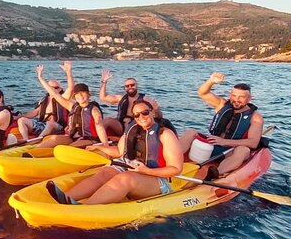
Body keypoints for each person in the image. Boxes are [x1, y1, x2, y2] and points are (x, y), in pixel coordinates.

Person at [46, 100, 183, 205]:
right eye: (136, 115)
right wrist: (99, 148)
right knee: (104, 173)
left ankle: (86, 207)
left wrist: (147, 171)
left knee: (125, 178)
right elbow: (118, 151)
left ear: (152, 112)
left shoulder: (164, 134)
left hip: (156, 179)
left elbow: (176, 169)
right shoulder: (132, 129)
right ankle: (66, 197)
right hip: (130, 167)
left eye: (145, 112)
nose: (141, 116)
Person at [180, 72, 264, 177]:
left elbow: (253, 143)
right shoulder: (221, 104)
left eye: (241, 97)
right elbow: (203, 93)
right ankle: (170, 161)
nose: (236, 100)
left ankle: (215, 174)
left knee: (243, 150)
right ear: (230, 95)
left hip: (230, 150)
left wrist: (224, 142)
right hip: (212, 144)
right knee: (191, 132)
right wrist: (211, 81)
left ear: (249, 99)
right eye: (234, 96)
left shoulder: (255, 117)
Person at [34, 64, 108, 148]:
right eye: (77, 94)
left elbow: (100, 127)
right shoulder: (72, 106)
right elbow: (54, 93)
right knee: (53, 139)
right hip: (71, 137)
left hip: (88, 139)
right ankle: (32, 153)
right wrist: (40, 78)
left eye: (83, 93)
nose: (80, 96)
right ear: (75, 96)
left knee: (66, 149)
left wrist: (105, 146)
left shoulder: (94, 109)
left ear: (88, 95)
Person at [16, 61, 73, 140]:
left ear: (60, 89)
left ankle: (37, 140)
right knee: (21, 120)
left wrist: (68, 72)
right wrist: (17, 117)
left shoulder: (63, 99)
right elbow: (34, 113)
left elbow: (71, 89)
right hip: (42, 124)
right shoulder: (44, 100)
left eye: (55, 88)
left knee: (51, 123)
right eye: (51, 87)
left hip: (57, 126)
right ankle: (25, 140)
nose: (53, 90)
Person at [99, 70, 158, 136]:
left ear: (137, 86)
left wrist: (156, 110)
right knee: (106, 120)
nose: (130, 87)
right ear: (125, 88)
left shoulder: (145, 100)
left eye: (132, 85)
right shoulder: (121, 98)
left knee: (128, 123)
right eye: (127, 86)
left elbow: (157, 116)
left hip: (136, 126)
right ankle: (95, 138)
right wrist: (104, 82)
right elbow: (103, 97)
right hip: (121, 124)